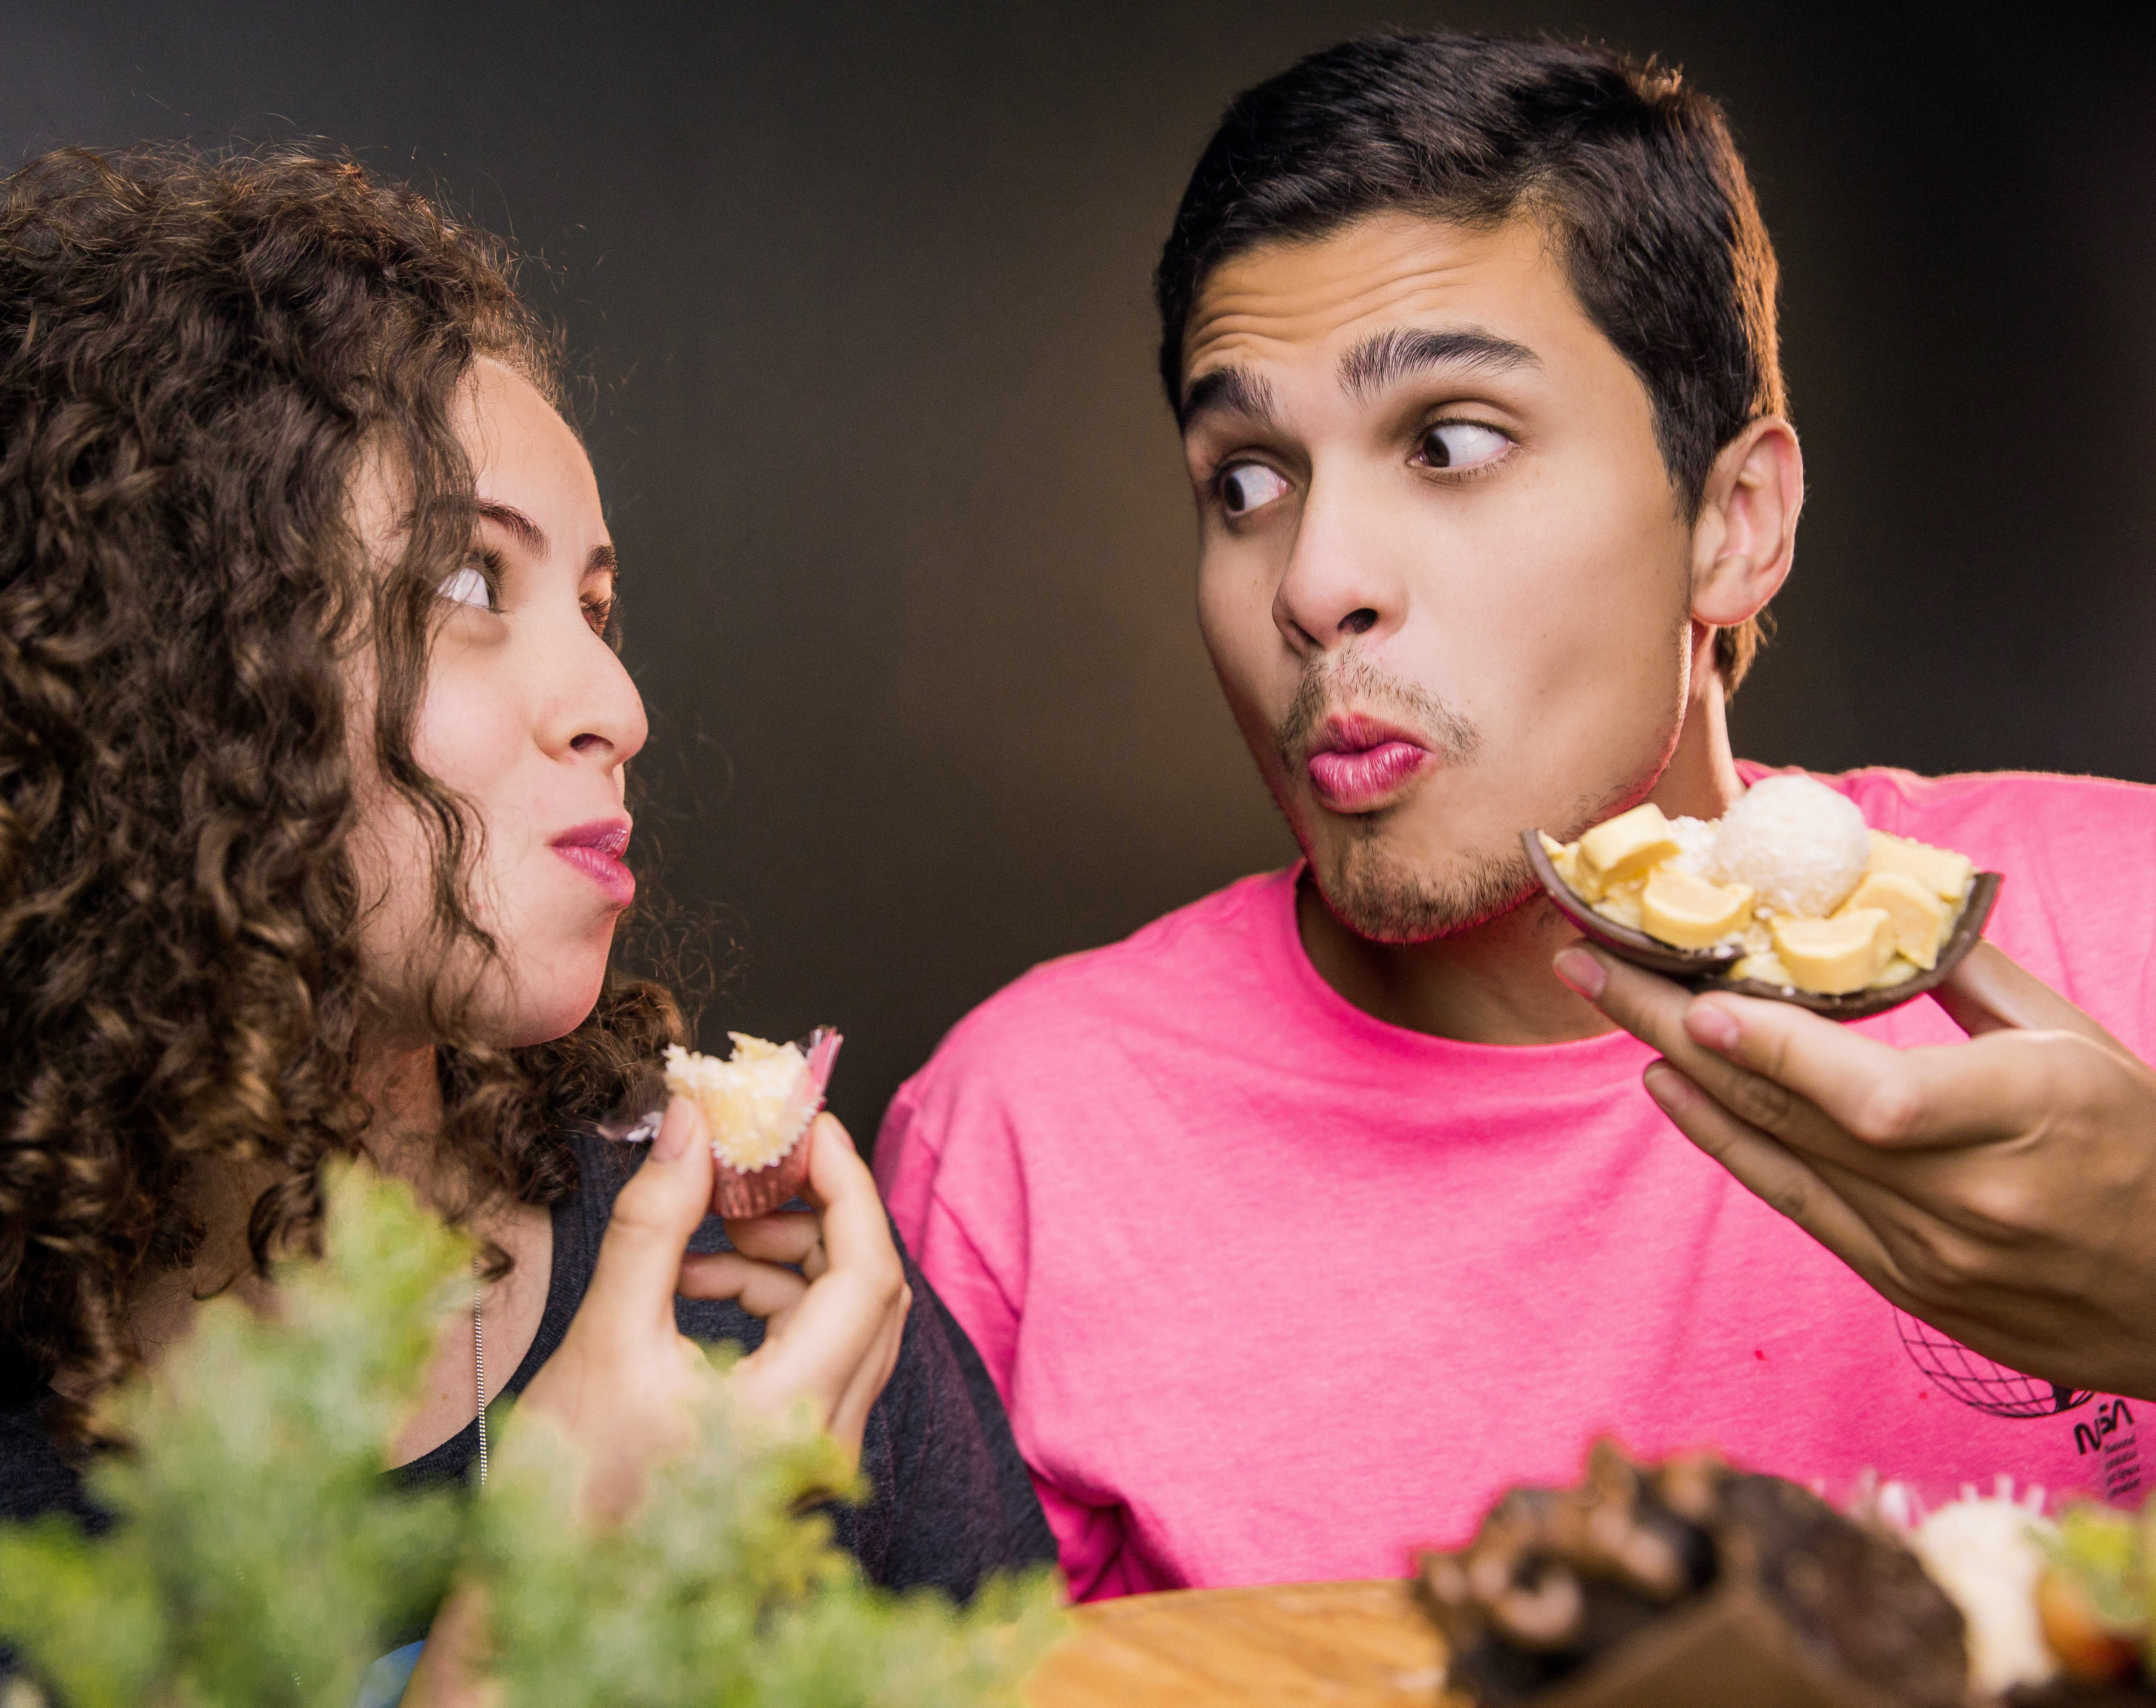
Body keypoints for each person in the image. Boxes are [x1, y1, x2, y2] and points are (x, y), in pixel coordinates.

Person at [0, 146, 1052, 1707]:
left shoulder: (762, 1311)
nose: (618, 707)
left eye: (601, 611)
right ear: (150, 674)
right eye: (471, 582)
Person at [875, 30, 2156, 1601]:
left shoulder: (2120, 933)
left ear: (1734, 526)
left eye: (1450, 443)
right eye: (1247, 481)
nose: (1315, 582)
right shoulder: (1024, 1144)